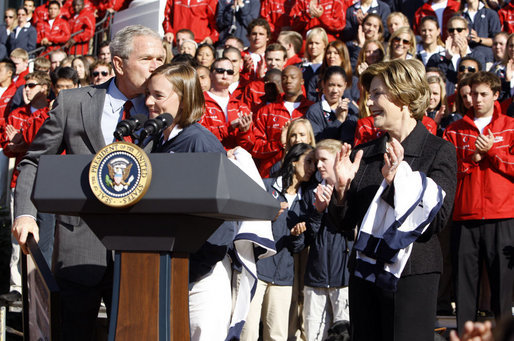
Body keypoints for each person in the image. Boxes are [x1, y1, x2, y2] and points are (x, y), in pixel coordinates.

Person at [11, 25, 165, 340]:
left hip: (142, 250)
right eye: (147, 58)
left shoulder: (168, 107)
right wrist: (25, 213)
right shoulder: (72, 103)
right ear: (120, 64)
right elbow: (34, 161)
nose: (157, 65)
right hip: (79, 249)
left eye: (161, 57)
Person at [328, 59, 457, 341]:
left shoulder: (439, 151)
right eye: (369, 94)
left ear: (404, 96)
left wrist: (399, 180)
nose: (369, 102)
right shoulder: (366, 152)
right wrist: (340, 191)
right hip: (365, 274)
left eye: (377, 94)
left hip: (413, 275)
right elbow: (343, 224)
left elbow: (437, 219)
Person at [146, 62, 235, 341]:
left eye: (158, 96)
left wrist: (191, 270)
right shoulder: (156, 142)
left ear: (183, 98)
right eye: (148, 94)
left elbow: (222, 217)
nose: (148, 101)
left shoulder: (200, 143)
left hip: (200, 277)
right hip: (170, 272)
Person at [443, 71, 514, 335]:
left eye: (483, 94)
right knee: (464, 288)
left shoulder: (510, 125)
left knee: (503, 288)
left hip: (503, 214)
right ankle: (464, 337)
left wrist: (493, 151)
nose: (476, 99)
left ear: (496, 95)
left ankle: (505, 336)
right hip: (466, 215)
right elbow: (448, 172)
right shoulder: (454, 129)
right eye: (473, 94)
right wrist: (473, 156)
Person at [240, 143, 316, 341]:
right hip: (256, 270)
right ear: (293, 160)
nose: (312, 168)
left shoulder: (306, 201)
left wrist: (296, 235)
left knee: (277, 335)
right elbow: (244, 222)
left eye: (314, 163)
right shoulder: (266, 186)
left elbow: (298, 247)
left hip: (283, 276)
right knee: (247, 332)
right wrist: (267, 215)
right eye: (308, 161)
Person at [302, 139, 351, 341]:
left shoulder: (352, 191)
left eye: (324, 160)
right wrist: (317, 211)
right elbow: (306, 238)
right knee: (313, 336)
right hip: (316, 279)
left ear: (338, 159)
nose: (318, 165)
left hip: (345, 280)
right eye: (315, 160)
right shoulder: (310, 193)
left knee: (345, 336)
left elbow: (351, 229)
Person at [251, 65, 313, 177]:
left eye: (293, 77)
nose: (288, 81)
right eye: (284, 78)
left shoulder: (312, 110)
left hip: (304, 175)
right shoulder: (266, 111)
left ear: (302, 81)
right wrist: (279, 143)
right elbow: (255, 148)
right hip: (271, 174)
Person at [200, 58, 254, 151]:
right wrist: (229, 127)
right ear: (211, 75)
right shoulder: (199, 102)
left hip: (235, 158)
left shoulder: (241, 106)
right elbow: (199, 137)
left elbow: (249, 145)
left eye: (229, 72)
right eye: (220, 71)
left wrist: (244, 131)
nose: (225, 75)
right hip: (210, 157)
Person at [305, 66, 357, 142]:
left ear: (345, 86)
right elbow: (316, 142)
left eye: (339, 86)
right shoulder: (314, 111)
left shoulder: (352, 109)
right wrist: (338, 121)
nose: (335, 90)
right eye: (331, 85)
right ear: (323, 84)